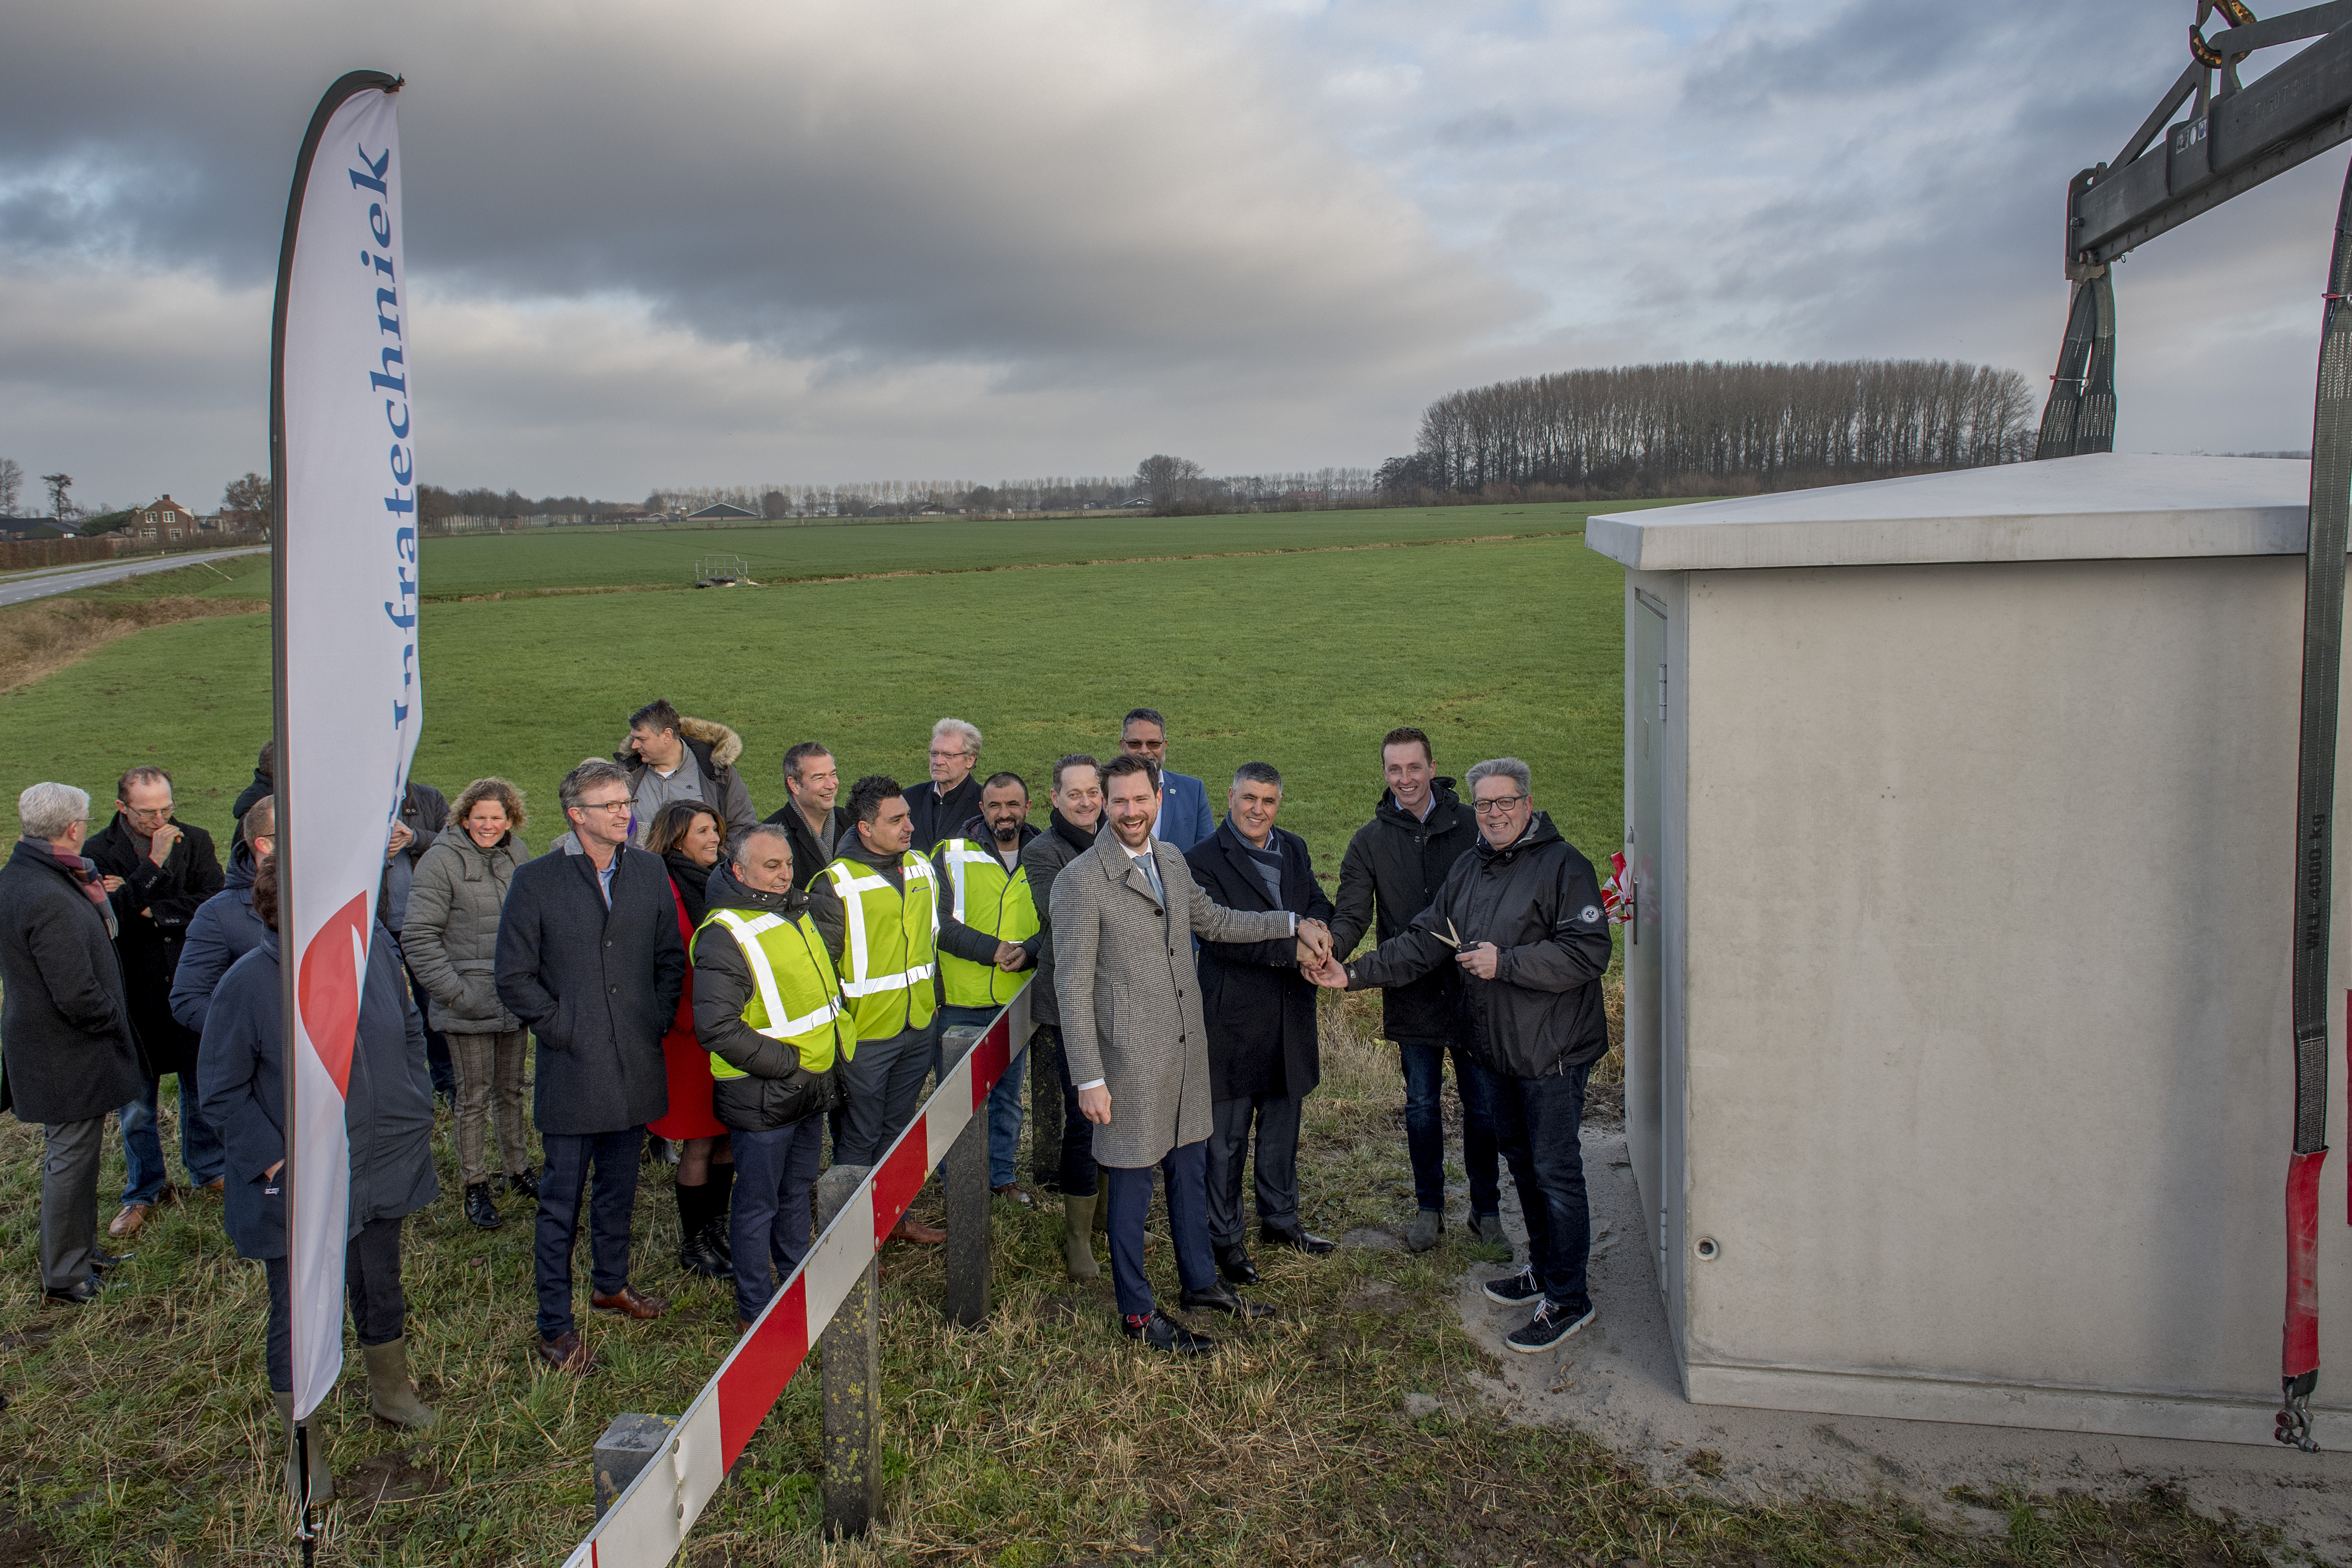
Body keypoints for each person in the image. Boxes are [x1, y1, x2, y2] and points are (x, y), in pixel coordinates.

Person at [1310, 758, 1613, 1353]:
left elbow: (1589, 952)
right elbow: (1426, 939)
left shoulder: (1564, 866)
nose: (1494, 813)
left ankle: (1571, 1299)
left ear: (1528, 804)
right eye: (1484, 804)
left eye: (1505, 802)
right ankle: (1545, 1270)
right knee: (1524, 1167)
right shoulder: (1472, 867)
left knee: (1556, 1173)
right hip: (1499, 1051)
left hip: (1552, 1053)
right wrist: (1352, 974)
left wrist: (1508, 963)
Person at [1051, 753, 1315, 1352]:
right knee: (1133, 1184)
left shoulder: (1170, 859)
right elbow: (1071, 987)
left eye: (1140, 800)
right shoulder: (1080, 881)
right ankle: (1139, 1316)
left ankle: (1200, 1284)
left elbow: (1216, 922)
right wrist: (1089, 1076)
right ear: (1104, 806)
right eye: (1118, 802)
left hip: (1188, 1052)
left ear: (1157, 801)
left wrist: (1290, 924)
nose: (1129, 812)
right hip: (1126, 1063)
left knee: (1190, 1173)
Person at [198, 855, 441, 1503]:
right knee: (302, 1313)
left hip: (381, 1157)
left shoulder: (371, 954)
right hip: (302, 1184)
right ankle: (303, 1444)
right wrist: (278, 1160)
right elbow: (220, 1094)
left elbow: (410, 1029)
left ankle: (392, 1393)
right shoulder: (250, 985)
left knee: (379, 1282)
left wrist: (415, 1100)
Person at [496, 760, 688, 1373]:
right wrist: (564, 1029)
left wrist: (654, 1018)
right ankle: (554, 1325)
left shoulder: (649, 871)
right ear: (576, 815)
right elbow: (514, 978)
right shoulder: (538, 882)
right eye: (609, 805)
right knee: (562, 1202)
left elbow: (668, 956)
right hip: (574, 1070)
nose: (624, 812)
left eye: (626, 801)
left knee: (620, 1188)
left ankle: (612, 1283)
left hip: (635, 1061)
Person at [1328, 727, 1498, 1252]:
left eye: (1414, 768)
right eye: (1394, 769)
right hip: (1411, 990)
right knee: (1421, 1104)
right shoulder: (1370, 840)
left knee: (1483, 1106)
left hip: (1476, 992)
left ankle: (1486, 1210)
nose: (1405, 779)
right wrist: (1329, 951)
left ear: (1431, 767)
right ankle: (1430, 1208)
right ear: (1384, 774)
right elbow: (1353, 913)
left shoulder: (1472, 826)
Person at [691, 825, 850, 1332]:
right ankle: (756, 1308)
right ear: (739, 871)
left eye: (787, 864)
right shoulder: (725, 933)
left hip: (807, 1083)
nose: (784, 874)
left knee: (796, 1188)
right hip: (764, 1091)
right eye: (770, 867)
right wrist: (788, 1064)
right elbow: (716, 1026)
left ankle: (795, 1278)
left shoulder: (792, 910)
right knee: (757, 1201)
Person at [1185, 762, 1338, 1285]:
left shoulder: (1292, 847)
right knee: (1225, 1139)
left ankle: (1281, 1220)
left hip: (1291, 1013)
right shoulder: (1201, 860)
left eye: (1269, 801)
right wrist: (1295, 949)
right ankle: (1224, 1237)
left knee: (1281, 1128)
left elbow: (1315, 900)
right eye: (1249, 798)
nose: (1258, 809)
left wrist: (1321, 933)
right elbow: (1221, 936)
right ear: (1230, 797)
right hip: (1232, 1018)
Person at [0, 783, 145, 1307]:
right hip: (66, 1051)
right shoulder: (48, 894)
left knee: (76, 1157)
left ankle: (80, 1252)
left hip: (53, 1044)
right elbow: (77, 992)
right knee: (70, 1158)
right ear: (73, 827)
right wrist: (115, 1019)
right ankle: (65, 1275)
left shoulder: (25, 876)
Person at [804, 775, 946, 1245]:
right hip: (865, 1035)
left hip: (917, 1024)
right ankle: (851, 1242)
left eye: (908, 815)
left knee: (898, 1127)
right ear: (865, 828)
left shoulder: (921, 867)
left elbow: (930, 942)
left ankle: (892, 1219)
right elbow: (821, 970)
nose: (910, 826)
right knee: (859, 1136)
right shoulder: (834, 885)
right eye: (897, 819)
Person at [85, 765, 225, 1239]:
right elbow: (111, 918)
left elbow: (212, 902)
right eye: (149, 811)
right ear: (123, 807)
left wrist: (149, 906)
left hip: (189, 981)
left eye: (167, 808)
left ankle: (208, 1169)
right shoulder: (96, 851)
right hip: (133, 989)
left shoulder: (198, 839)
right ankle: (144, 1189)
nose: (161, 817)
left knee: (200, 1087)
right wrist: (156, 865)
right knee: (138, 1102)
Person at [402, 778, 536, 1231]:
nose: (488, 825)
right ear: (464, 818)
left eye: (497, 818)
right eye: (480, 817)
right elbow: (418, 936)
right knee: (473, 1098)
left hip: (513, 998)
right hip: (467, 1002)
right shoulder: (440, 861)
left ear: (510, 820)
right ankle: (475, 1184)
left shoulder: (519, 856)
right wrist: (456, 994)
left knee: (512, 1090)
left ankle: (518, 1169)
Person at [932, 772, 1040, 1206]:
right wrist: (993, 950)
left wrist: (1030, 952)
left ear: (1028, 808)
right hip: (961, 998)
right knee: (955, 1100)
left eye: (1013, 804)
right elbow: (937, 923)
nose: (1004, 813)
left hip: (1017, 998)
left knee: (1008, 1097)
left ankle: (1001, 1176)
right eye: (995, 805)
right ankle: (954, 1179)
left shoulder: (1047, 853)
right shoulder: (950, 853)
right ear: (982, 808)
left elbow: (1060, 919)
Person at [1023, 754, 1106, 1277]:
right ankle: (1078, 1239)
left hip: (1123, 1000)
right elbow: (1065, 915)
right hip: (1072, 1004)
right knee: (1083, 1123)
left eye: (1093, 792)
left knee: (1120, 1118)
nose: (1084, 802)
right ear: (1054, 798)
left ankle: (1106, 1219)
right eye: (1073, 793)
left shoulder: (1120, 838)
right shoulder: (1042, 852)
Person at [645, 800, 735, 1278]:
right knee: (700, 1139)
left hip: (727, 1030)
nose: (714, 838)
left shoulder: (720, 881)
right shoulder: (661, 887)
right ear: (678, 837)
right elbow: (661, 961)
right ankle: (693, 1241)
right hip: (687, 1034)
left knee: (727, 1135)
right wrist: (684, 1017)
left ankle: (717, 1225)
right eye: (704, 831)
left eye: (716, 830)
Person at [169, 797, 277, 1037]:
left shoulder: (335, 894)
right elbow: (188, 1000)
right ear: (264, 844)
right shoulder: (219, 914)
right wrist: (260, 1031)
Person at [380, 776, 456, 1101]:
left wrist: (414, 837)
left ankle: (448, 1083)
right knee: (383, 1010)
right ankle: (396, 1089)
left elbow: (455, 841)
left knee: (432, 1005)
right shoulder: (353, 800)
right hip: (375, 928)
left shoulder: (428, 798)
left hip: (423, 922)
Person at [619, 699, 757, 847]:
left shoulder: (717, 773)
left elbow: (743, 826)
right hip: (641, 868)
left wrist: (723, 865)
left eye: (642, 739)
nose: (634, 745)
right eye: (634, 739)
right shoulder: (626, 773)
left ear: (667, 735)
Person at [1119, 708, 1215, 850]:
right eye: (1135, 744)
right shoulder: (1102, 792)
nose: (1144, 751)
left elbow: (1209, 852)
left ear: (1164, 746)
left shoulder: (1193, 791)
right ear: (1122, 746)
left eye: (1153, 744)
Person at [761, 742, 850, 893]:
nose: (831, 785)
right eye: (819, 778)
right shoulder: (769, 837)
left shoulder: (851, 821)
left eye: (833, 775)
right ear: (794, 785)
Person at [906, 718, 983, 852]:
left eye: (948, 755)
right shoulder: (908, 799)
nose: (938, 761)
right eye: (934, 754)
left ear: (970, 760)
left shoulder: (985, 806)